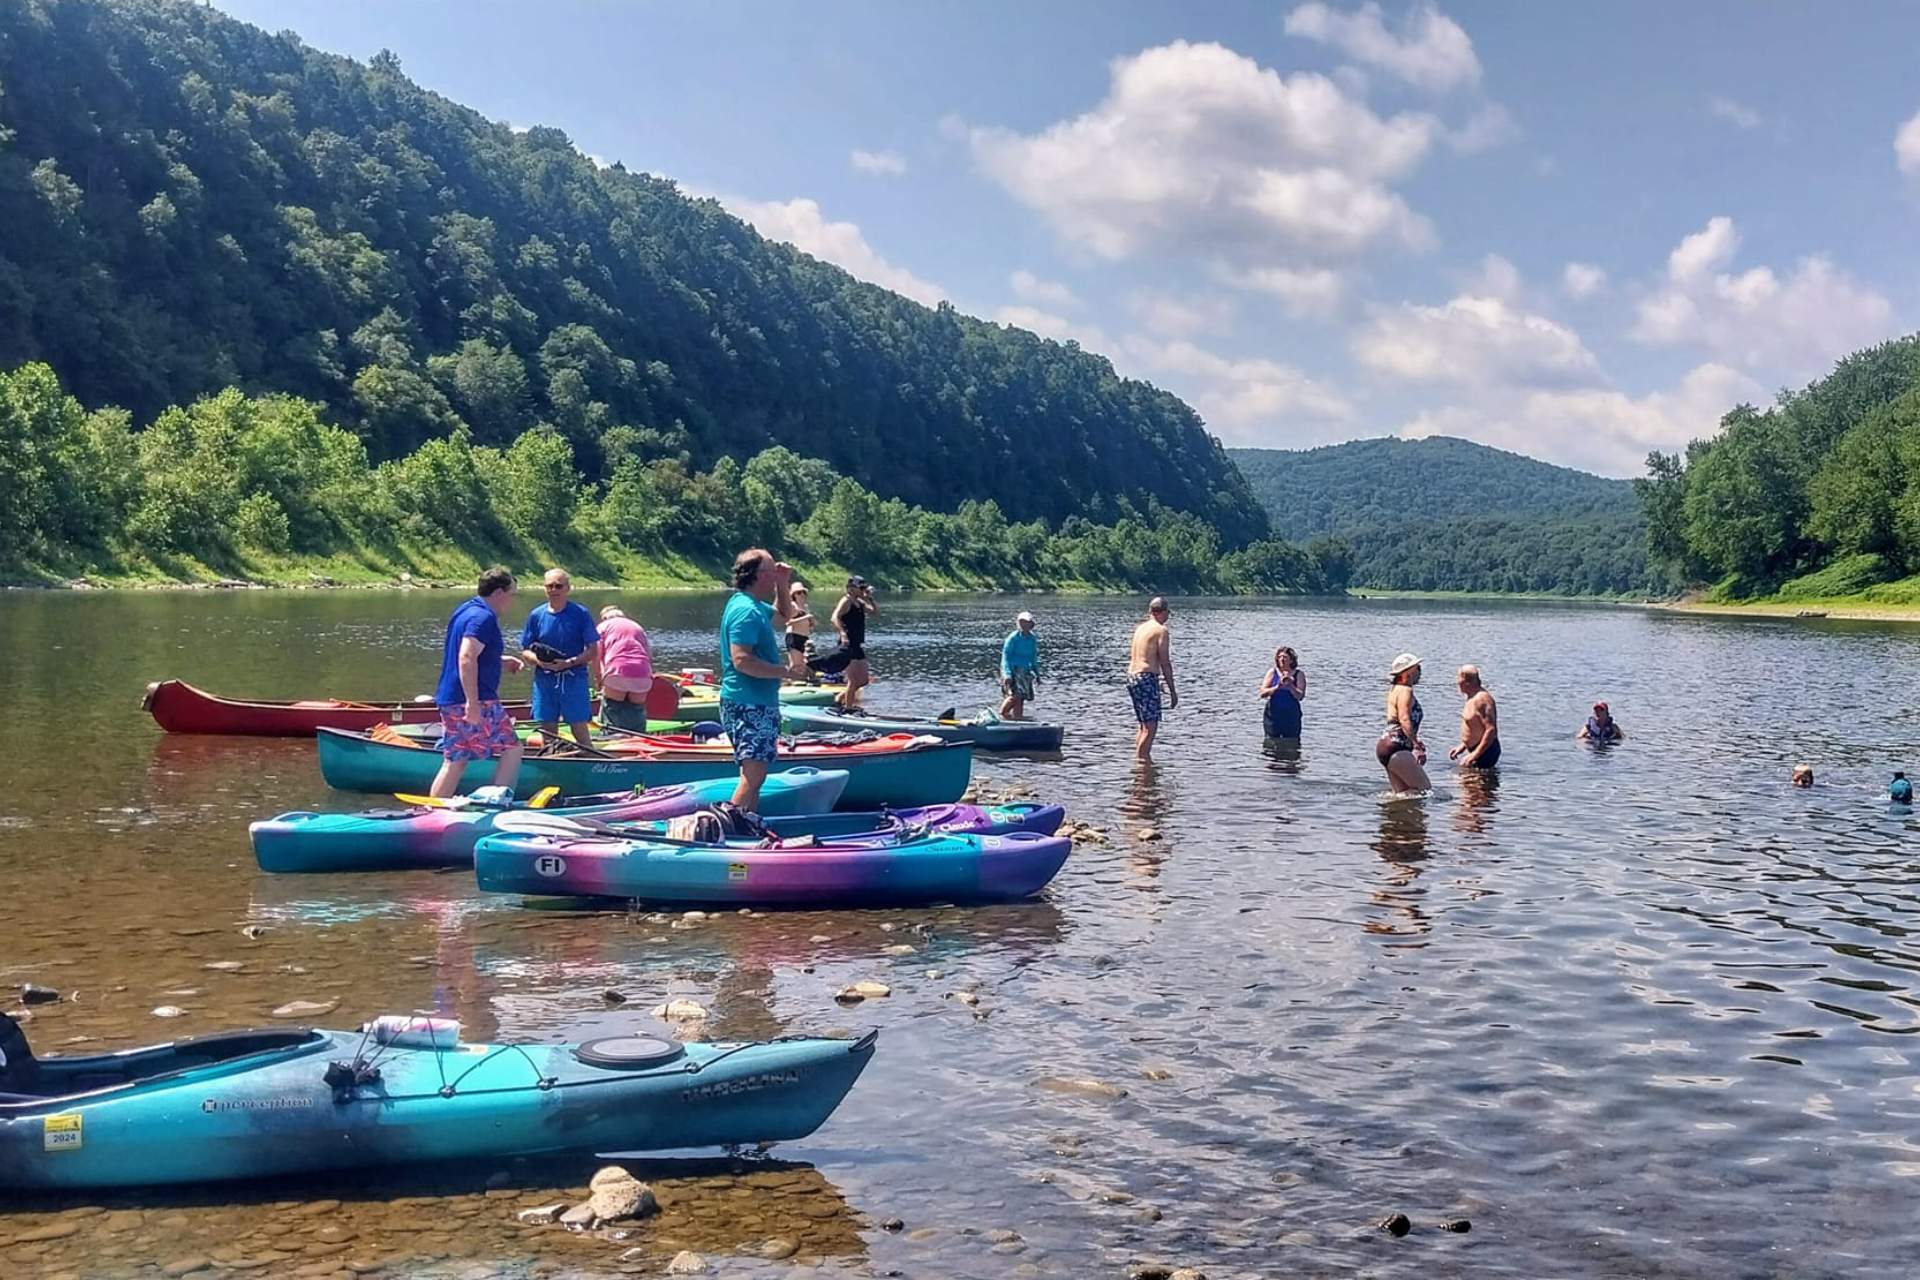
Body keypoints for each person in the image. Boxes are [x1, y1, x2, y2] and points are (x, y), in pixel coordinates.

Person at [429, 565, 527, 799]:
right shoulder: (484, 618)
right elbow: (466, 656)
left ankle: (432, 810)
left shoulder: (465, 610)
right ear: (499, 593)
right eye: (511, 594)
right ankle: (498, 802)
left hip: (450, 698)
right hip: (477, 700)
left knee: (456, 759)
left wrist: (500, 660)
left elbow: (470, 653)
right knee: (512, 749)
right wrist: (472, 703)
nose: (511, 601)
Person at [720, 547, 797, 818]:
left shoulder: (750, 605)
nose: (776, 573)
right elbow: (742, 660)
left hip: (753, 701)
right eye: (773, 570)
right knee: (754, 775)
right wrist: (786, 672)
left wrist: (783, 583)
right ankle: (730, 825)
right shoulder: (745, 611)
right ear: (759, 575)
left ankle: (749, 824)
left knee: (753, 774)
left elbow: (784, 615)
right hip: (749, 703)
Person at [519, 568, 599, 748]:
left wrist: (569, 662)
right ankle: (551, 763)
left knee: (579, 727)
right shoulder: (536, 615)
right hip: (544, 680)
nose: (554, 590)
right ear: (544, 589)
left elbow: (593, 650)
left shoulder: (580, 614)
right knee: (547, 730)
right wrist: (539, 661)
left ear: (567, 588)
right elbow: (525, 650)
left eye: (558, 586)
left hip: (573, 678)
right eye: (549, 586)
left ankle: (589, 759)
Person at [1126, 597, 1178, 762]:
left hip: (1133, 676)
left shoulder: (1140, 628)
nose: (1168, 616)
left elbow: (1144, 657)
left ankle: (1140, 762)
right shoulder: (1160, 630)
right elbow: (1165, 662)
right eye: (1168, 613)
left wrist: (1156, 680)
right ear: (1163, 612)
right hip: (1146, 677)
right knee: (1151, 726)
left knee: (1143, 725)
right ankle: (1142, 766)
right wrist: (1172, 691)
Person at [1377, 653, 1430, 794]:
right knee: (1424, 790)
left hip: (1386, 746)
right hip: (1397, 746)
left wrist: (1414, 741)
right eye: (1417, 668)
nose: (1420, 672)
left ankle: (1396, 815)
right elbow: (1404, 718)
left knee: (1402, 794)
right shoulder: (1406, 690)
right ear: (1408, 672)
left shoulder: (1394, 690)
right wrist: (1416, 744)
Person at [596, 605, 654, 732]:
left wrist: (599, 679)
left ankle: (612, 739)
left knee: (612, 707)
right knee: (636, 709)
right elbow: (648, 655)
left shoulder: (603, 627)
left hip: (617, 670)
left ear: (604, 617)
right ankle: (637, 739)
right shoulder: (637, 627)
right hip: (642, 672)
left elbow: (596, 655)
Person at [1449, 665, 1500, 769]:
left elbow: (1491, 730)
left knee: (1476, 783)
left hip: (1486, 751)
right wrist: (1463, 746)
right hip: (1476, 749)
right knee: (1467, 782)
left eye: (1458, 679)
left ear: (1466, 681)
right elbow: (1474, 725)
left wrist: (1474, 755)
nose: (1456, 683)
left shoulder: (1482, 699)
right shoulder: (1471, 697)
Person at [1258, 645, 1305, 740]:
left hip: (1291, 715)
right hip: (1273, 715)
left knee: (1291, 740)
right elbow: (1262, 693)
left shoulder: (1298, 674)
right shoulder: (1272, 672)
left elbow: (1300, 696)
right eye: (1280, 657)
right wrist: (1277, 687)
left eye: (1285, 657)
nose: (1282, 660)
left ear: (1291, 660)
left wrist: (1290, 685)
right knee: (1271, 741)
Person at [1000, 611, 1040, 720]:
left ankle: (1017, 720)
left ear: (1031, 624)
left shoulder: (1032, 638)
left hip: (1025, 671)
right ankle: (1003, 714)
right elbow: (1006, 656)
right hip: (1012, 670)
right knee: (1015, 696)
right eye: (1021, 622)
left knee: (1021, 698)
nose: (1023, 625)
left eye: (1026, 622)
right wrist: (1007, 674)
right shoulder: (1013, 638)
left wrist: (1037, 673)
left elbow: (1033, 657)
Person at [784, 583, 815, 678]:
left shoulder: (805, 607)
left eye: (803, 592)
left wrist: (812, 623)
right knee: (795, 665)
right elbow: (788, 622)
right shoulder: (793, 606)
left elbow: (809, 625)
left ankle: (802, 681)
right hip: (794, 636)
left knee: (804, 665)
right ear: (793, 595)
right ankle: (789, 681)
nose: (801, 595)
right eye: (798, 593)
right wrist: (805, 617)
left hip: (805, 637)